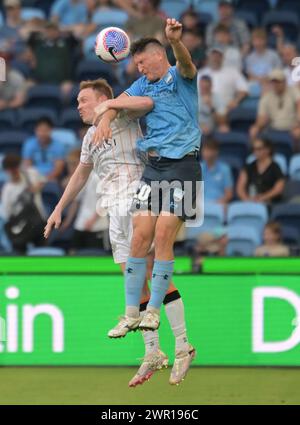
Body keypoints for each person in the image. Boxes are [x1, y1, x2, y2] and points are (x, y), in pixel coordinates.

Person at [44, 78, 193, 387]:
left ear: (102, 99)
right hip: (113, 211)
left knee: (152, 271)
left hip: (140, 201)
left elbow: (147, 103)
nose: (78, 106)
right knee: (134, 282)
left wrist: (111, 107)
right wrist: (58, 208)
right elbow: (81, 174)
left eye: (83, 100)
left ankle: (183, 344)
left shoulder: (125, 118)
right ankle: (153, 352)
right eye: (77, 102)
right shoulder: (88, 138)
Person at [93, 19, 201, 385]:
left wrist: (177, 42)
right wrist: (107, 114)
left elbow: (187, 65)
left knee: (164, 236)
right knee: (140, 238)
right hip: (153, 168)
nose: (137, 69)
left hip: (183, 166)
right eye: (136, 65)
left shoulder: (178, 77)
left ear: (157, 57)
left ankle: (154, 311)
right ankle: (131, 313)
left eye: (141, 63)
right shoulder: (142, 84)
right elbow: (124, 99)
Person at [1, 153, 46, 252]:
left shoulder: (31, 174)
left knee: (42, 253)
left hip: (38, 222)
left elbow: (43, 181)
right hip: (21, 227)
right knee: (19, 254)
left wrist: (36, 188)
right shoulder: (7, 190)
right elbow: (7, 213)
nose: (14, 172)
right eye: (11, 171)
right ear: (6, 171)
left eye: (15, 168)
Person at [250, 69, 300, 149]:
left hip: (292, 128)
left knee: (298, 133)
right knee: (253, 131)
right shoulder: (266, 97)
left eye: (278, 82)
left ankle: (295, 156)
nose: (275, 85)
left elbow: (299, 106)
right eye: (273, 82)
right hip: (273, 128)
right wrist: (257, 126)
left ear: (284, 82)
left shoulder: (293, 91)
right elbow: (261, 118)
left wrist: (298, 125)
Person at [198, 45, 249, 113]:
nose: (215, 58)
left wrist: (235, 101)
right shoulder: (201, 73)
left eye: (218, 56)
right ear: (209, 57)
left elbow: (244, 89)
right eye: (213, 56)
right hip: (203, 109)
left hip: (226, 108)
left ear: (222, 57)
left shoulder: (233, 72)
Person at [237, 137, 285, 204]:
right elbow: (240, 188)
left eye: (259, 149)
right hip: (250, 201)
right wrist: (247, 200)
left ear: (268, 149)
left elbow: (279, 188)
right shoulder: (248, 167)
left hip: (270, 202)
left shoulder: (275, 167)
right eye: (254, 149)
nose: (255, 152)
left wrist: (263, 197)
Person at [201, 137, 233, 204]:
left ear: (216, 152)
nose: (206, 153)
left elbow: (229, 194)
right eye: (205, 150)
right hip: (200, 204)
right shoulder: (197, 168)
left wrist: (221, 201)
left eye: (209, 150)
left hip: (219, 204)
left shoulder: (225, 169)